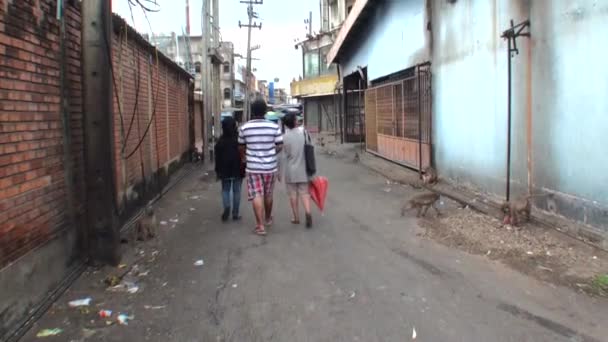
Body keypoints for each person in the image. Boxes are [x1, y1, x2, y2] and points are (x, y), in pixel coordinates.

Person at [238, 99, 283, 236]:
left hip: (253, 167)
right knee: (268, 194)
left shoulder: (244, 127)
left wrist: (244, 158)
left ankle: (260, 226)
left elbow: (240, 146)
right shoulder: (274, 127)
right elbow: (280, 145)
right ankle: (268, 219)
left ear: (252, 111)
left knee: (257, 194)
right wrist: (271, 152)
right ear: (265, 111)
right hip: (270, 167)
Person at [281, 113, 313, 228]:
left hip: (290, 171)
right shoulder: (304, 133)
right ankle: (308, 212)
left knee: (293, 195)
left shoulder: (284, 137)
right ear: (295, 122)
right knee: (304, 193)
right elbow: (310, 147)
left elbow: (284, 155)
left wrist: (279, 173)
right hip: (303, 169)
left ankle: (296, 218)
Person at [214, 116, 244, 221]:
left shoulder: (220, 142)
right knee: (237, 191)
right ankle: (235, 214)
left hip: (224, 170)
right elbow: (243, 154)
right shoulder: (239, 139)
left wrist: (217, 171)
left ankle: (227, 206)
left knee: (225, 190)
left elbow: (217, 159)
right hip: (237, 169)